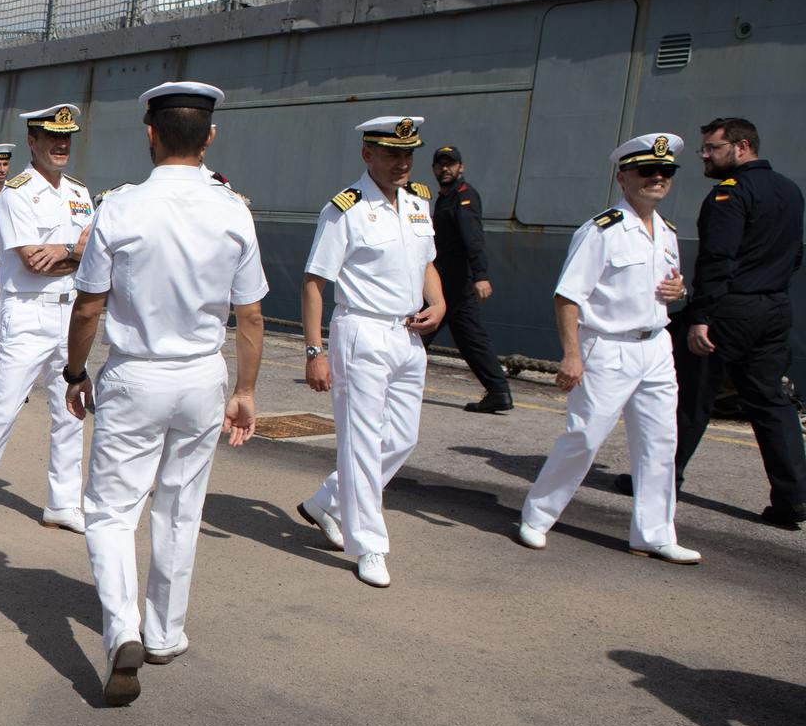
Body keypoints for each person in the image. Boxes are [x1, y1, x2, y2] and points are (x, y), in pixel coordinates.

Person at [63, 83, 267, 705]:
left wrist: (76, 372)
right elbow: (251, 315)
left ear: (150, 133)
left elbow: (90, 306)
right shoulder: (234, 209)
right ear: (209, 136)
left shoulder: (119, 209)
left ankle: (120, 625)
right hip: (202, 374)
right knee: (180, 505)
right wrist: (248, 390)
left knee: (110, 509)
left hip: (136, 372)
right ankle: (165, 631)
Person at [517, 134, 698, 563]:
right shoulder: (601, 231)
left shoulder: (668, 232)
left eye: (666, 172)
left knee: (661, 441)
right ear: (623, 177)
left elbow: (666, 284)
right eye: (647, 171)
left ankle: (653, 533)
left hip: (655, 346)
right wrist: (571, 354)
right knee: (584, 436)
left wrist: (680, 288)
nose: (658, 178)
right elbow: (567, 296)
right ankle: (537, 516)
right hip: (608, 348)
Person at [295, 116, 447, 589]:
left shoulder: (419, 203)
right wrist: (315, 349)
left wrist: (439, 302)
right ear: (367, 155)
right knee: (360, 443)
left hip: (407, 335)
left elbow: (428, 264)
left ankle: (327, 503)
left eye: (408, 155)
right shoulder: (345, 209)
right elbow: (314, 281)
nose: (402, 163)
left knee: (402, 437)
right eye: (391, 154)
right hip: (360, 330)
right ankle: (369, 545)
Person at [0, 103, 95, 548]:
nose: (61, 145)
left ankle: (63, 502)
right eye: (52, 137)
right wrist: (78, 248)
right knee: (2, 412)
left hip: (71, 312)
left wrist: (67, 252)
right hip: (30, 311)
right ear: (32, 141)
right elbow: (34, 262)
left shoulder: (79, 191)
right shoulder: (16, 192)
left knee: (69, 409)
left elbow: (96, 256)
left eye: (67, 138)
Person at [673, 117, 805, 526]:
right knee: (770, 402)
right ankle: (793, 497)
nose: (705, 157)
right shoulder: (789, 190)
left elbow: (717, 259)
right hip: (774, 308)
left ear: (741, 146)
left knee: (692, 397)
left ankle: (659, 480)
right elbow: (795, 253)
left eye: (712, 148)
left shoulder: (729, 195)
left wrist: (702, 317)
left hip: (729, 310)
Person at [425, 145, 511, 412]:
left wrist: (481, 275)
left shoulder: (463, 196)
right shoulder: (446, 197)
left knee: (417, 331)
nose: (445, 169)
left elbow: (472, 237)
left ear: (461, 168)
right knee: (470, 340)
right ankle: (498, 392)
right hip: (446, 280)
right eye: (440, 164)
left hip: (455, 281)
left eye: (450, 164)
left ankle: (388, 380)